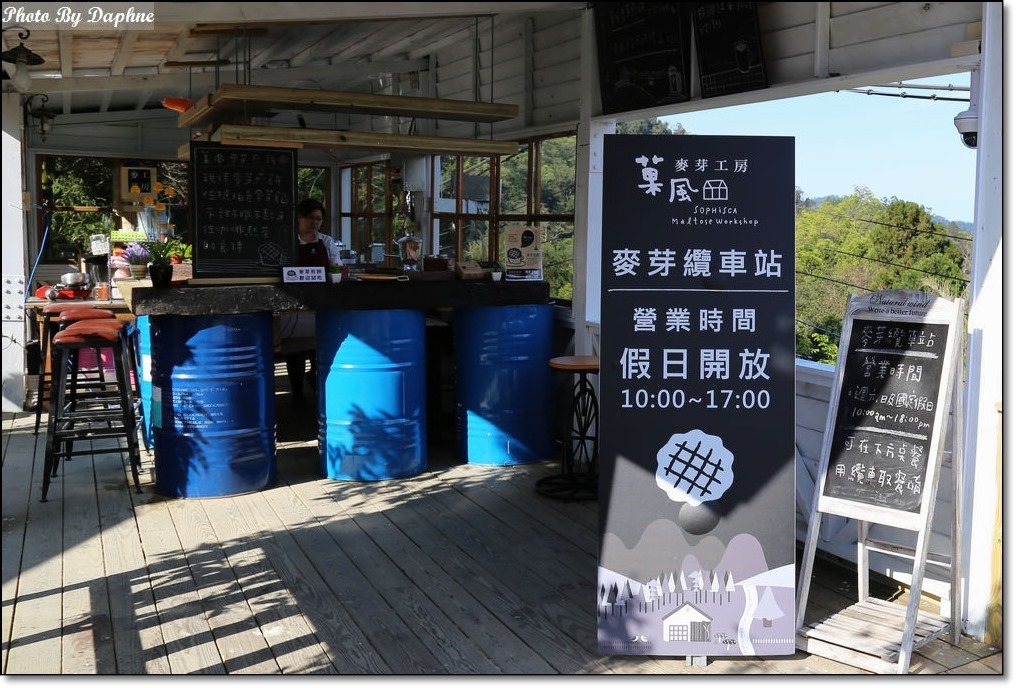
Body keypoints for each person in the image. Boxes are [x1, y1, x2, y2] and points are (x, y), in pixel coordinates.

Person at [282, 198, 342, 407]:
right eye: (310, 218)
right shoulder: (288, 241)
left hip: (321, 302)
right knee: (295, 350)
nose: (315, 223)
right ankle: (297, 392)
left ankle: (318, 382)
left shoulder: (326, 241)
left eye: (319, 219)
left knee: (319, 347)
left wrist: (337, 275)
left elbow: (336, 265)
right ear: (299, 218)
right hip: (293, 302)